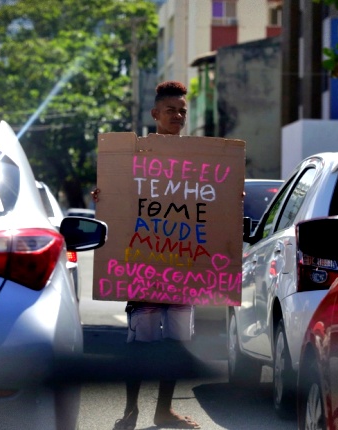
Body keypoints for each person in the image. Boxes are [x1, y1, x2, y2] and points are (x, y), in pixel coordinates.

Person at [92, 81, 201, 430]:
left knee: (176, 343)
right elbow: (120, 198)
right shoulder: (134, 155)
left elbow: (207, 203)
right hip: (143, 267)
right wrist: (102, 196)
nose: (179, 116)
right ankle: (130, 410)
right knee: (141, 343)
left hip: (183, 266)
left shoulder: (199, 159)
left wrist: (229, 197)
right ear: (155, 114)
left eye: (183, 111)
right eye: (171, 110)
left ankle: (163, 412)